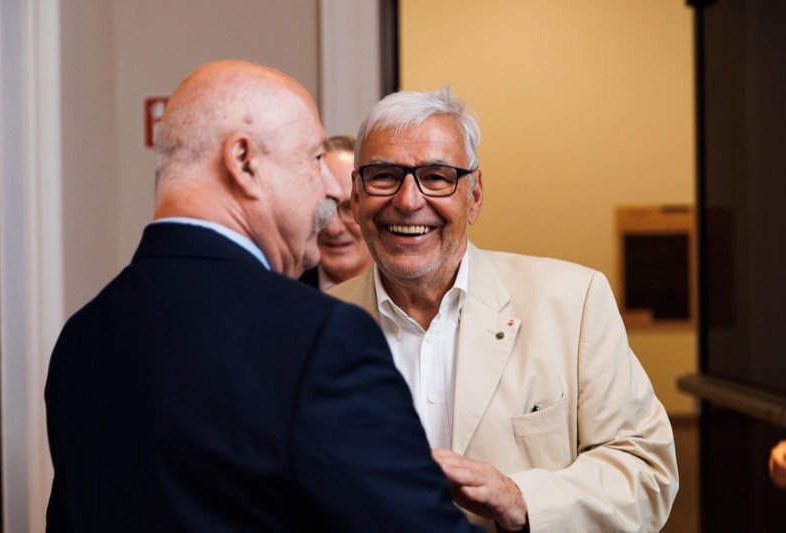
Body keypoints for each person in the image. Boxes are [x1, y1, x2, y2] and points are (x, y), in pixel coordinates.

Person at [44, 61, 482, 532]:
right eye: (315, 158)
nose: (333, 188)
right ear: (244, 162)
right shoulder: (318, 337)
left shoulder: (80, 337)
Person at [329, 86, 679, 532]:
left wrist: (522, 500)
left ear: (474, 196)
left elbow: (647, 471)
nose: (408, 200)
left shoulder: (574, 302)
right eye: (383, 176)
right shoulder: (313, 326)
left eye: (436, 177)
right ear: (356, 196)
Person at [299, 135, 373, 289]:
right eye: (323, 206)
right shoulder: (284, 289)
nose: (333, 229)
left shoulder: (408, 292)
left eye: (349, 208)